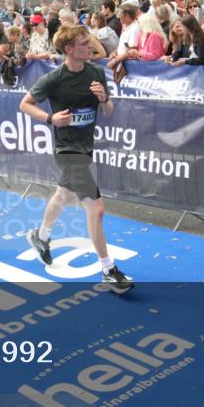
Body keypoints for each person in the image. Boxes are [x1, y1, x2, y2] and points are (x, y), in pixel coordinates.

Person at [20, 25, 133, 294]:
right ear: (69, 49)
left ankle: (41, 236)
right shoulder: (55, 78)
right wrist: (51, 118)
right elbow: (24, 104)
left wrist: (104, 98)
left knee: (63, 196)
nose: (91, 46)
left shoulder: (95, 72)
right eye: (84, 43)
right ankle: (108, 269)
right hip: (67, 151)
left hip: (84, 147)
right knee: (97, 209)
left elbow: (107, 112)